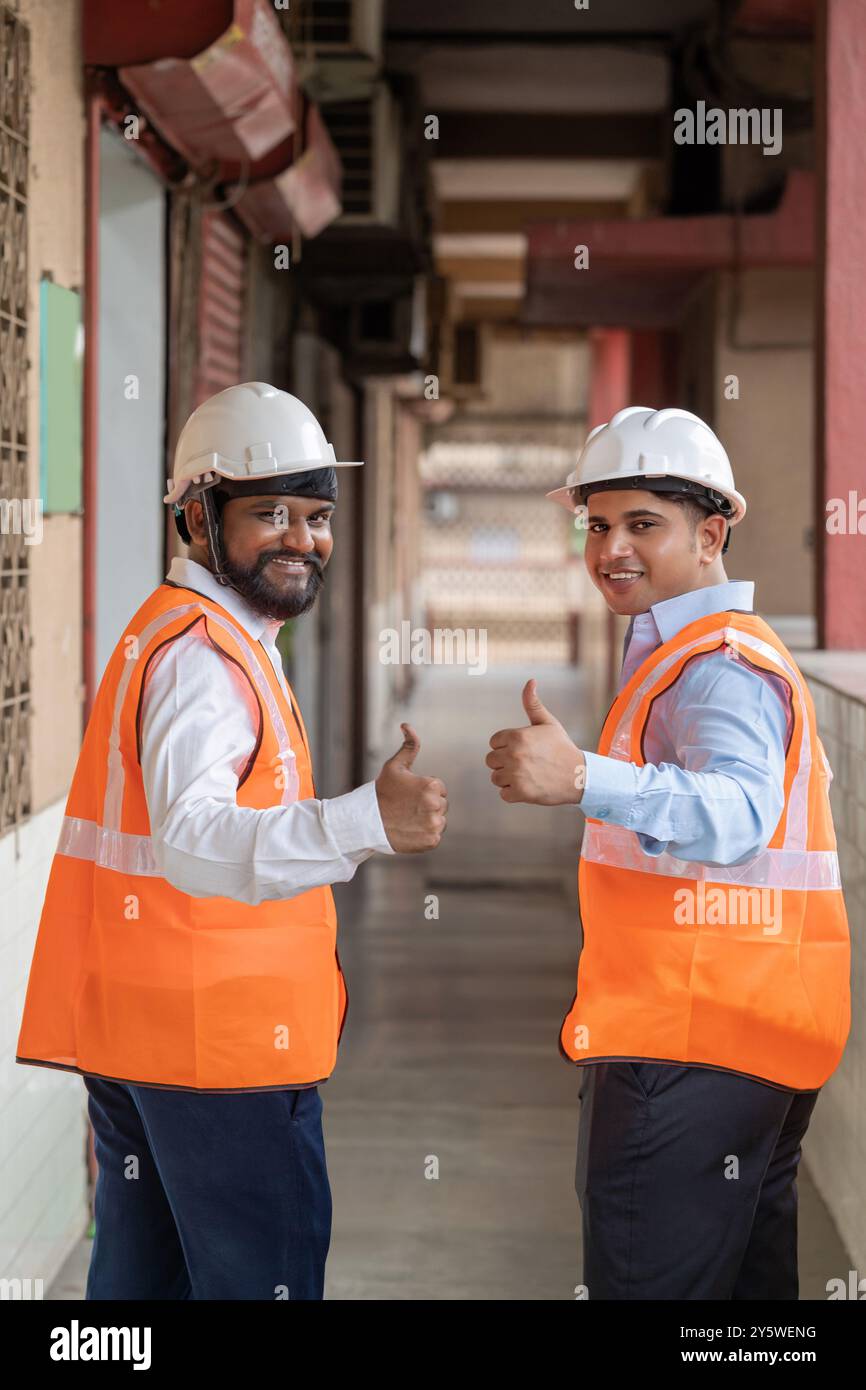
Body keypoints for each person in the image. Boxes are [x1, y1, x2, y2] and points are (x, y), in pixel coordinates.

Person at [16, 380, 448, 1300]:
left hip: (154, 1041)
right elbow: (194, 842)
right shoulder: (204, 660)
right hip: (220, 1054)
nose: (303, 538)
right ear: (195, 520)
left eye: (317, 515)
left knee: (139, 1293)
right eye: (270, 514)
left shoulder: (202, 636)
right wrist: (371, 819)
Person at [485, 405, 850, 1300]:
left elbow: (739, 816)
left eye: (643, 524)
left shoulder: (717, 666)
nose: (612, 547)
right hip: (746, 1038)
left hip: (688, 1052)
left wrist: (582, 778)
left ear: (711, 531)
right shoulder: (687, 652)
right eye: (598, 524)